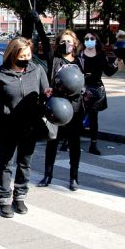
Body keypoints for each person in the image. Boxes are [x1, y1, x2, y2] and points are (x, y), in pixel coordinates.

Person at [0, 37, 51, 218]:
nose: (26, 59)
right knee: (6, 163)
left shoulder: (37, 70)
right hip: (7, 125)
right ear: (13, 55)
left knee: (25, 163)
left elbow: (45, 93)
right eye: (22, 55)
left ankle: (20, 196)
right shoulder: (0, 73)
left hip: (30, 124)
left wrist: (48, 94)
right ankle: (4, 199)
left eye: (28, 55)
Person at [38, 30, 85, 191]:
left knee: (74, 142)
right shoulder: (55, 59)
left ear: (75, 44)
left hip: (75, 105)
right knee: (52, 141)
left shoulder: (80, 61)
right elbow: (44, 42)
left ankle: (74, 177)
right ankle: (48, 175)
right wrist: (37, 22)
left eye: (69, 41)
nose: (66, 44)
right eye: (63, 41)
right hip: (57, 104)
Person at [80, 29, 119, 155]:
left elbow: (108, 72)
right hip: (82, 88)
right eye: (87, 39)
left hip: (96, 89)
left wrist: (117, 63)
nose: (89, 41)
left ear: (96, 41)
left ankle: (93, 144)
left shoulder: (101, 55)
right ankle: (68, 142)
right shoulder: (80, 55)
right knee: (78, 115)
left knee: (93, 117)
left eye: (92, 39)